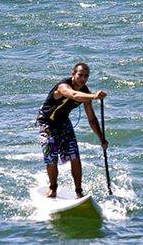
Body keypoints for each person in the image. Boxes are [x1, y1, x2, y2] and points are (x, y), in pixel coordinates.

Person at [36, 63, 108, 198]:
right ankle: (52, 189)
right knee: (52, 157)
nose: (83, 79)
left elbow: (92, 118)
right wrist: (94, 96)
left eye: (86, 76)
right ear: (73, 74)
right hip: (47, 121)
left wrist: (101, 138)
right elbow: (74, 95)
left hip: (63, 121)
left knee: (74, 155)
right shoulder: (63, 86)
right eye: (80, 75)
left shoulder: (85, 93)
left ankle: (79, 191)